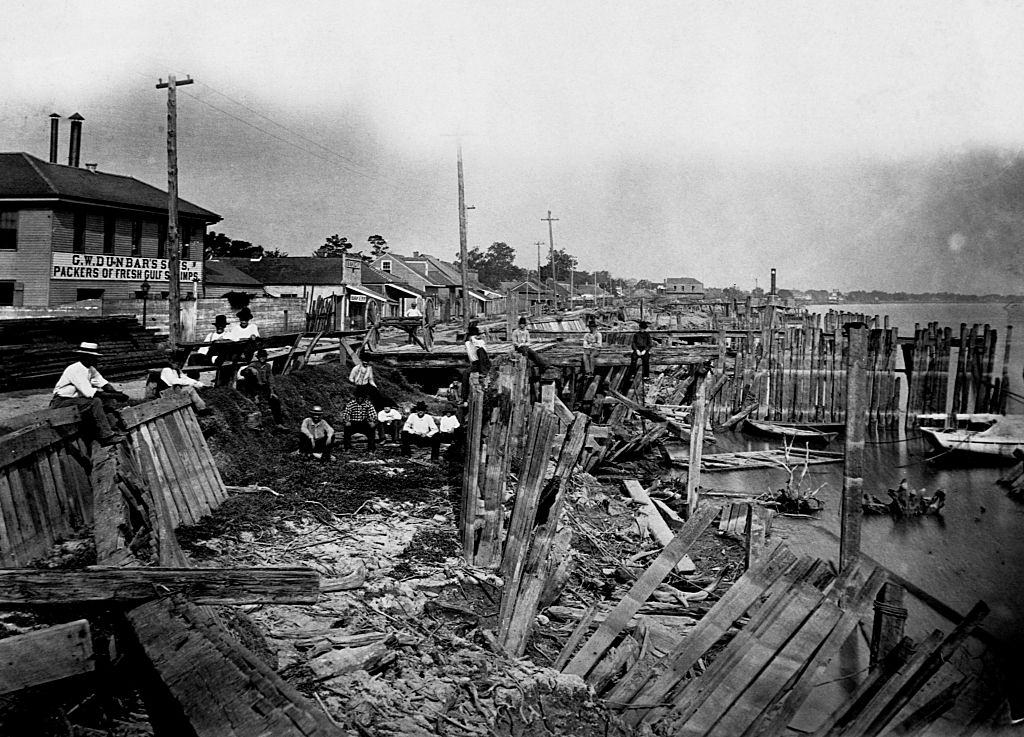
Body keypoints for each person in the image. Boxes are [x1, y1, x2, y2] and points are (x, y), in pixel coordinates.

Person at [50, 342, 129, 444]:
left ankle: (114, 429)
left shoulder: (90, 369)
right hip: (61, 403)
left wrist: (117, 394)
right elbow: (91, 394)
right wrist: (116, 395)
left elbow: (105, 384)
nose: (96, 359)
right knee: (95, 402)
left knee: (108, 400)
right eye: (93, 357)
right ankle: (106, 437)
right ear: (85, 356)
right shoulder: (76, 369)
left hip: (76, 401)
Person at [237, 349, 283, 425]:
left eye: (264, 357)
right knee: (255, 403)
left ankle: (279, 423)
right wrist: (250, 369)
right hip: (253, 387)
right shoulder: (253, 365)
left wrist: (272, 391)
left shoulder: (268, 366)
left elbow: (270, 378)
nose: (262, 358)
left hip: (264, 386)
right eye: (261, 356)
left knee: (275, 401)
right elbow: (243, 373)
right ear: (258, 357)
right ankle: (256, 422)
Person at [340, 386, 377, 451]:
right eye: (358, 397)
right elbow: (346, 413)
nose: (360, 398)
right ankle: (347, 448)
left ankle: (371, 448)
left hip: (364, 423)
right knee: (347, 428)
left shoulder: (368, 403)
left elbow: (373, 414)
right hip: (353, 423)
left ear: (364, 397)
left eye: (362, 397)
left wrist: (372, 420)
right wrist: (347, 421)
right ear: (356, 396)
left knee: (372, 429)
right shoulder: (351, 403)